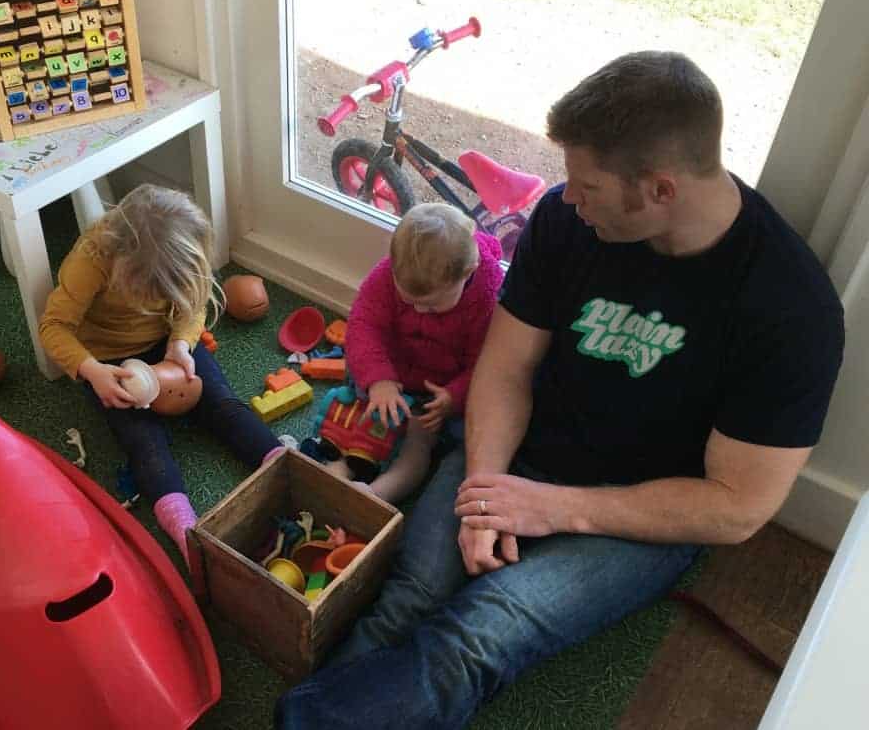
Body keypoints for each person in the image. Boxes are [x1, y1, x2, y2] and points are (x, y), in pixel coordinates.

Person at [275, 51, 845, 729]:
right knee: (413, 590)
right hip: (516, 452)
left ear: (660, 189)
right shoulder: (565, 219)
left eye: (588, 186)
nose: (566, 197)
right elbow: (506, 369)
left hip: (639, 514)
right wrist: (488, 492)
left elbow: (736, 508)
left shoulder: (790, 309)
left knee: (477, 636)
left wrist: (552, 508)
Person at [39, 184, 283, 563]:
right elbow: (53, 326)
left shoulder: (185, 244)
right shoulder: (91, 259)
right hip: (110, 362)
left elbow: (194, 303)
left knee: (223, 405)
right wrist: (92, 371)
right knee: (144, 442)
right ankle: (184, 530)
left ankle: (284, 463)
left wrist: (182, 344)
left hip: (169, 343)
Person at [341, 202, 503, 503]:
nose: (418, 310)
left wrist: (453, 397)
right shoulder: (388, 273)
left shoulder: (487, 299)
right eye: (408, 300)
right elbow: (364, 324)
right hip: (391, 372)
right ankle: (341, 462)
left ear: (468, 272)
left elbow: (487, 364)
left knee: (421, 438)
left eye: (430, 305)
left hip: (438, 392)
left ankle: (379, 493)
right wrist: (379, 380)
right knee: (358, 401)